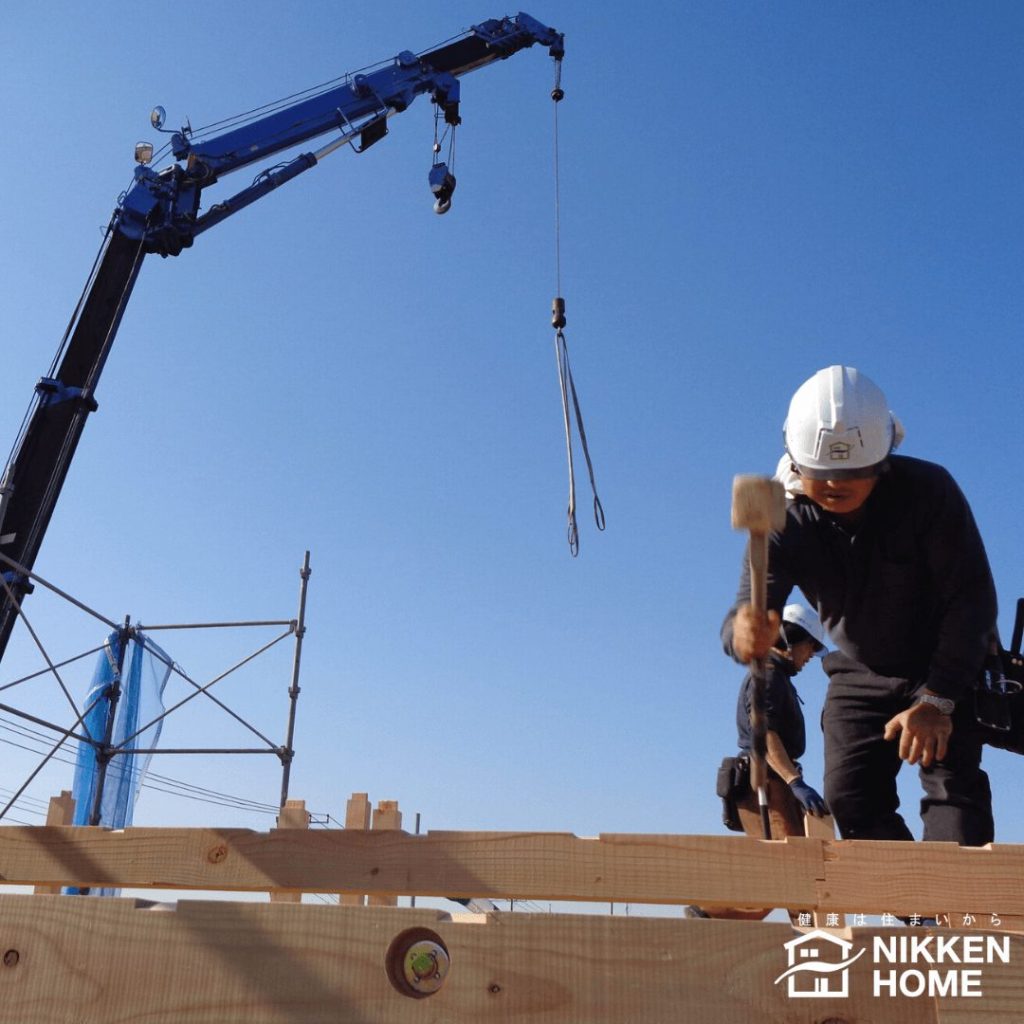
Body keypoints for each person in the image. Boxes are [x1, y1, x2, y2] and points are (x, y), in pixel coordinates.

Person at [722, 365, 996, 846]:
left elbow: (971, 601)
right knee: (850, 797)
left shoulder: (929, 494)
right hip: (859, 668)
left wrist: (937, 698)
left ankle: (959, 911)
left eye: (852, 472)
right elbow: (743, 613)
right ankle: (917, 917)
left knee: (952, 788)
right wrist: (741, 634)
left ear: (882, 460)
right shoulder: (783, 520)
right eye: (821, 472)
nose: (834, 485)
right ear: (795, 460)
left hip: (943, 659)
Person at [734, 603, 828, 840]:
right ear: (791, 638)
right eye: (811, 646)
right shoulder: (769, 674)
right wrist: (794, 782)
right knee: (788, 861)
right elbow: (765, 734)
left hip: (777, 779)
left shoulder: (778, 676)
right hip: (766, 782)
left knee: (795, 859)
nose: (811, 656)